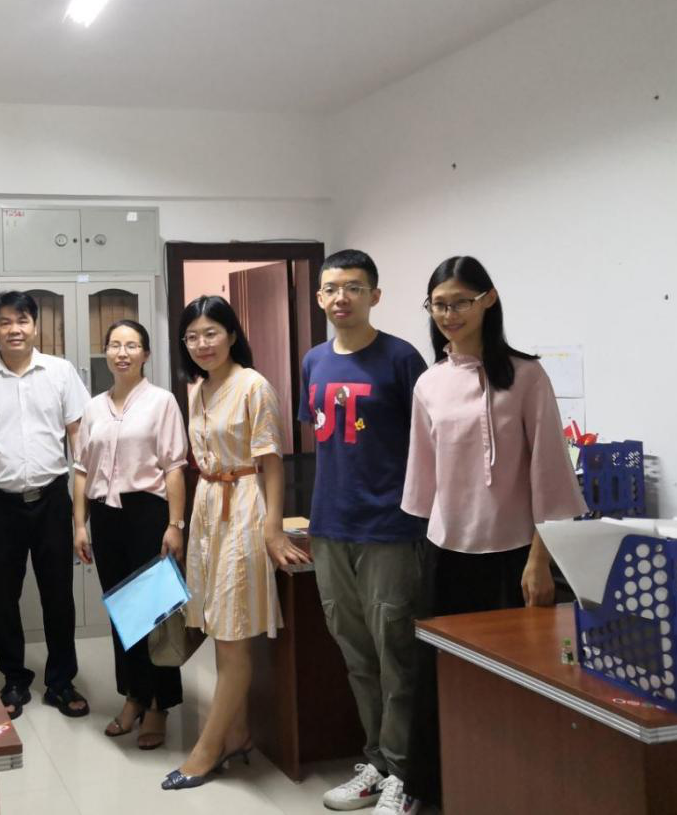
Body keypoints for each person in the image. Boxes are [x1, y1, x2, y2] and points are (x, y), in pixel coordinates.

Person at [400, 256, 587, 808]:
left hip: (514, 556)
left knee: (514, 681)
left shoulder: (527, 376)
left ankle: (508, 792)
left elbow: (548, 474)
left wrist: (540, 560)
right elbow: (423, 483)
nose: (448, 314)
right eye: (439, 304)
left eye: (460, 301)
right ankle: (429, 790)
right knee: (436, 678)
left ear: (488, 300)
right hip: (446, 553)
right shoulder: (429, 384)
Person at [298, 249, 429, 815]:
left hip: (390, 529)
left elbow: (427, 445)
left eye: (353, 287)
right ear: (319, 298)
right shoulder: (313, 361)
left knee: (396, 656)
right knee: (356, 655)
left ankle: (404, 774)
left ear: (375, 295)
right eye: (331, 288)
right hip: (330, 528)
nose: (341, 297)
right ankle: (376, 763)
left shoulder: (401, 359)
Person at [162, 295, 308, 791]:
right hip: (208, 507)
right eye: (192, 336)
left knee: (233, 632)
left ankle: (207, 750)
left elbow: (271, 462)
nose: (202, 344)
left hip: (244, 506)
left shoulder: (254, 385)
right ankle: (239, 732)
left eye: (211, 333)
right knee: (218, 627)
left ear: (231, 334)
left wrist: (272, 527)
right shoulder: (197, 390)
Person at [0, 290, 91, 720]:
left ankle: (61, 681)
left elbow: (79, 438)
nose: (15, 329)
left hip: (51, 499)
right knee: (4, 597)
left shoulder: (61, 372)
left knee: (59, 595)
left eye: (22, 320)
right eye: (5, 322)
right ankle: (13, 679)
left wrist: (82, 509)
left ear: (35, 326)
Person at [73, 319, 188, 751]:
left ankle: (160, 703)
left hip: (148, 514)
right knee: (122, 613)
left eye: (132, 345)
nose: (122, 353)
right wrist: (79, 524)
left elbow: (174, 467)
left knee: (155, 614)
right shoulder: (93, 408)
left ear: (146, 354)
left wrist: (175, 524)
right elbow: (81, 471)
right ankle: (134, 696)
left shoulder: (161, 402)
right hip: (106, 517)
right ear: (105, 352)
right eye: (115, 345)